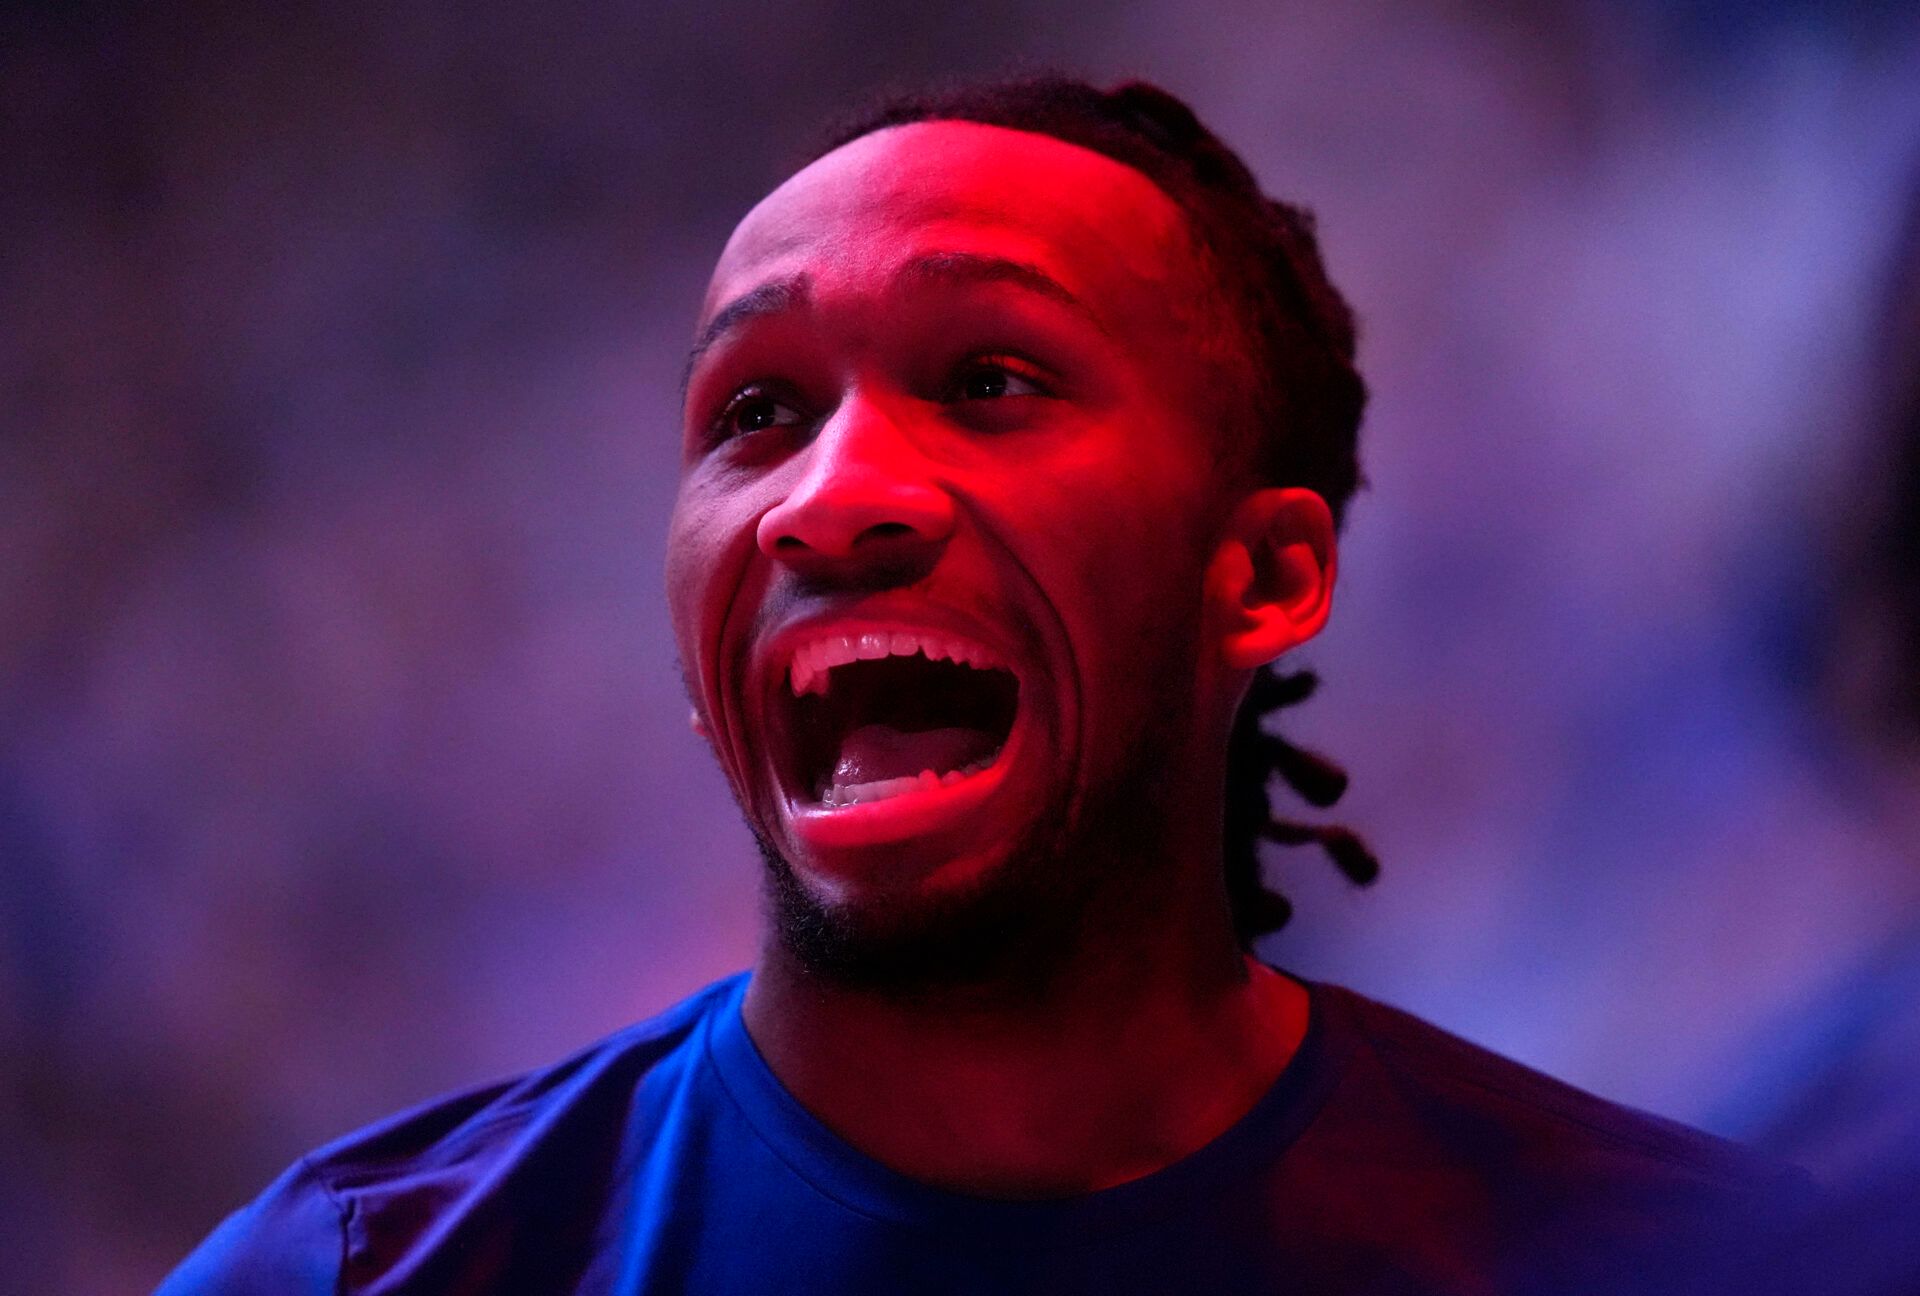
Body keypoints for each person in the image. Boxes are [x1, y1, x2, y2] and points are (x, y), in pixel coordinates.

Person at [157, 77, 1810, 1295]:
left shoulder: (1677, 1262)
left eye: (989, 377)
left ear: (1267, 576)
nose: (828, 497)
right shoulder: (350, 1277)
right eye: (755, 414)